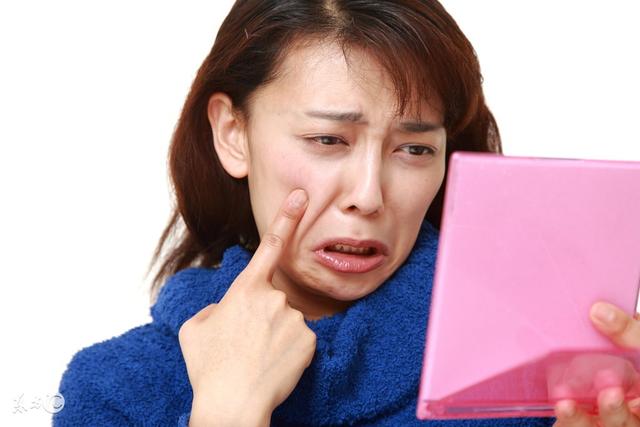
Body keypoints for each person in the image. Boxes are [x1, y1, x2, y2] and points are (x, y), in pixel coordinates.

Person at [53, 1, 640, 426]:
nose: (369, 195)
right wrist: (227, 412)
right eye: (328, 140)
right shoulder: (113, 392)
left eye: (415, 150)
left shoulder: (538, 378)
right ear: (232, 133)